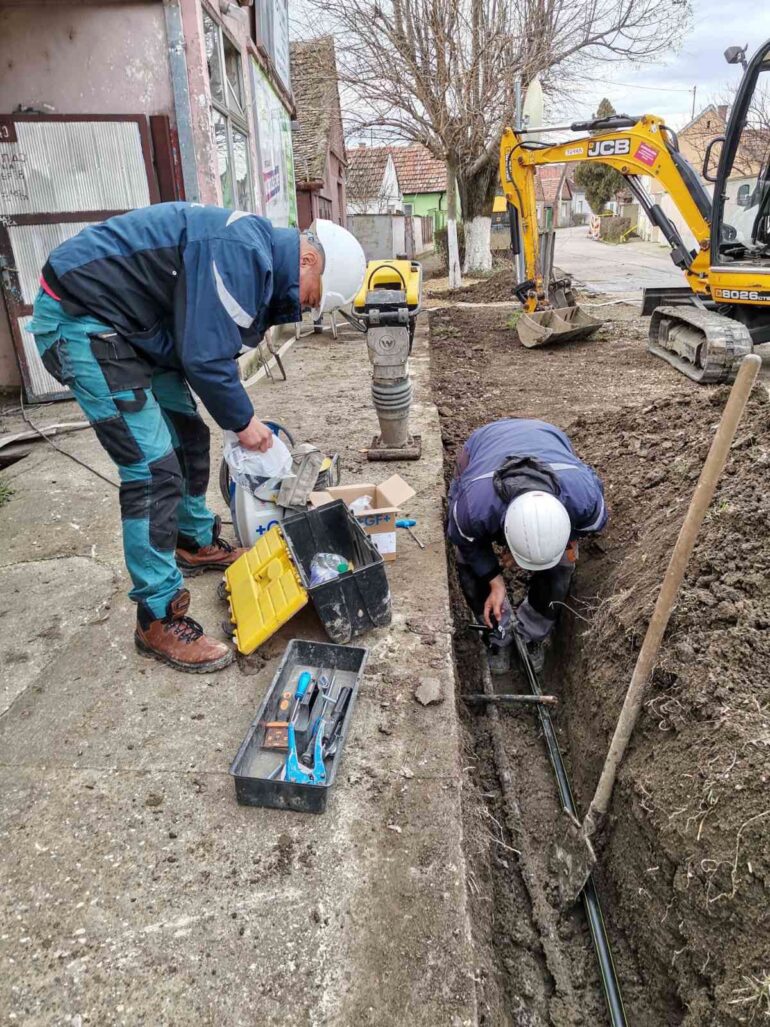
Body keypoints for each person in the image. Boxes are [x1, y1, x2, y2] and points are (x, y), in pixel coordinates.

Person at [28, 204, 366, 674]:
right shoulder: (244, 252)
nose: (308, 308)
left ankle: (190, 539)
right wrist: (246, 424)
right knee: (152, 468)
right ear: (309, 261)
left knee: (188, 435)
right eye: (313, 299)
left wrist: (237, 419)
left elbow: (208, 346)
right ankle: (158, 616)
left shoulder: (257, 257)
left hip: (139, 326)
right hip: (84, 317)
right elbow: (206, 358)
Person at [447, 418, 607, 673]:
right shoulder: (472, 507)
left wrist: (562, 542)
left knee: (564, 563)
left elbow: (585, 529)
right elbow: (467, 543)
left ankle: (531, 634)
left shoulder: (585, 501)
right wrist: (494, 581)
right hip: (485, 445)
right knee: (468, 563)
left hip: (548, 436)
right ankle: (497, 635)